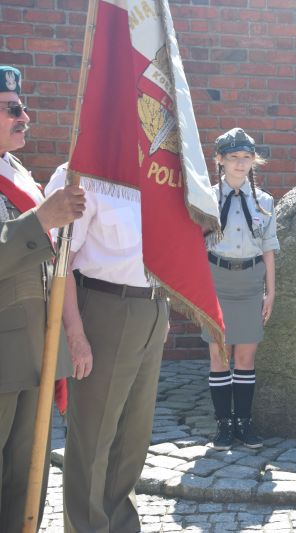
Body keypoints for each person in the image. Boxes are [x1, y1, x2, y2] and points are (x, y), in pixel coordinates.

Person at [46, 162, 169, 532]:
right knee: (94, 439)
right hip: (104, 308)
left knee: (133, 437)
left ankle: (121, 525)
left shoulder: (159, 171)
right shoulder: (81, 172)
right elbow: (60, 258)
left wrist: (163, 310)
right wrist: (75, 332)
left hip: (152, 306)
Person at [0, 65, 85, 532]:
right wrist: (40, 221)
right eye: (13, 109)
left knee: (25, 484)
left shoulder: (15, 172)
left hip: (34, 350)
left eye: (23, 107)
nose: (25, 116)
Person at [202, 128, 278, 451]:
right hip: (215, 280)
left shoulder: (263, 202)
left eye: (246, 157)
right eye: (233, 157)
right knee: (220, 355)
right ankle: (223, 425)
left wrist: (270, 291)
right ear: (220, 160)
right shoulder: (206, 198)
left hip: (249, 282)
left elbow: (269, 248)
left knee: (245, 357)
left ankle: (243, 424)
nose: (240, 164)